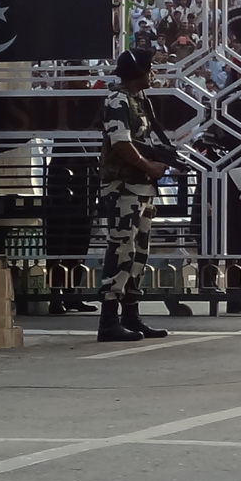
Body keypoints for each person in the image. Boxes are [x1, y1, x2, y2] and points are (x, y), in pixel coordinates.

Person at [95, 49, 170, 342]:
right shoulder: (118, 100)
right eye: (149, 68)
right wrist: (148, 165)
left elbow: (143, 140)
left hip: (141, 188)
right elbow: (121, 143)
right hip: (122, 187)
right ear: (137, 71)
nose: (152, 73)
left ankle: (131, 315)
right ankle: (108, 321)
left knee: (138, 253)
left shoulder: (140, 101)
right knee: (121, 250)